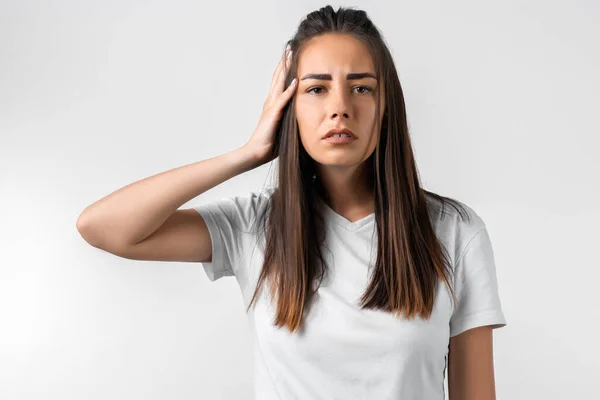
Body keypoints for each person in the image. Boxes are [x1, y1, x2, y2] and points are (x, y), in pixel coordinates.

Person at [76, 5, 507, 399]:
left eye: (361, 88)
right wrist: (246, 154)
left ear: (385, 107)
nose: (339, 107)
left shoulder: (454, 231)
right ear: (288, 109)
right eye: (316, 89)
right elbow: (102, 227)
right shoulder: (255, 224)